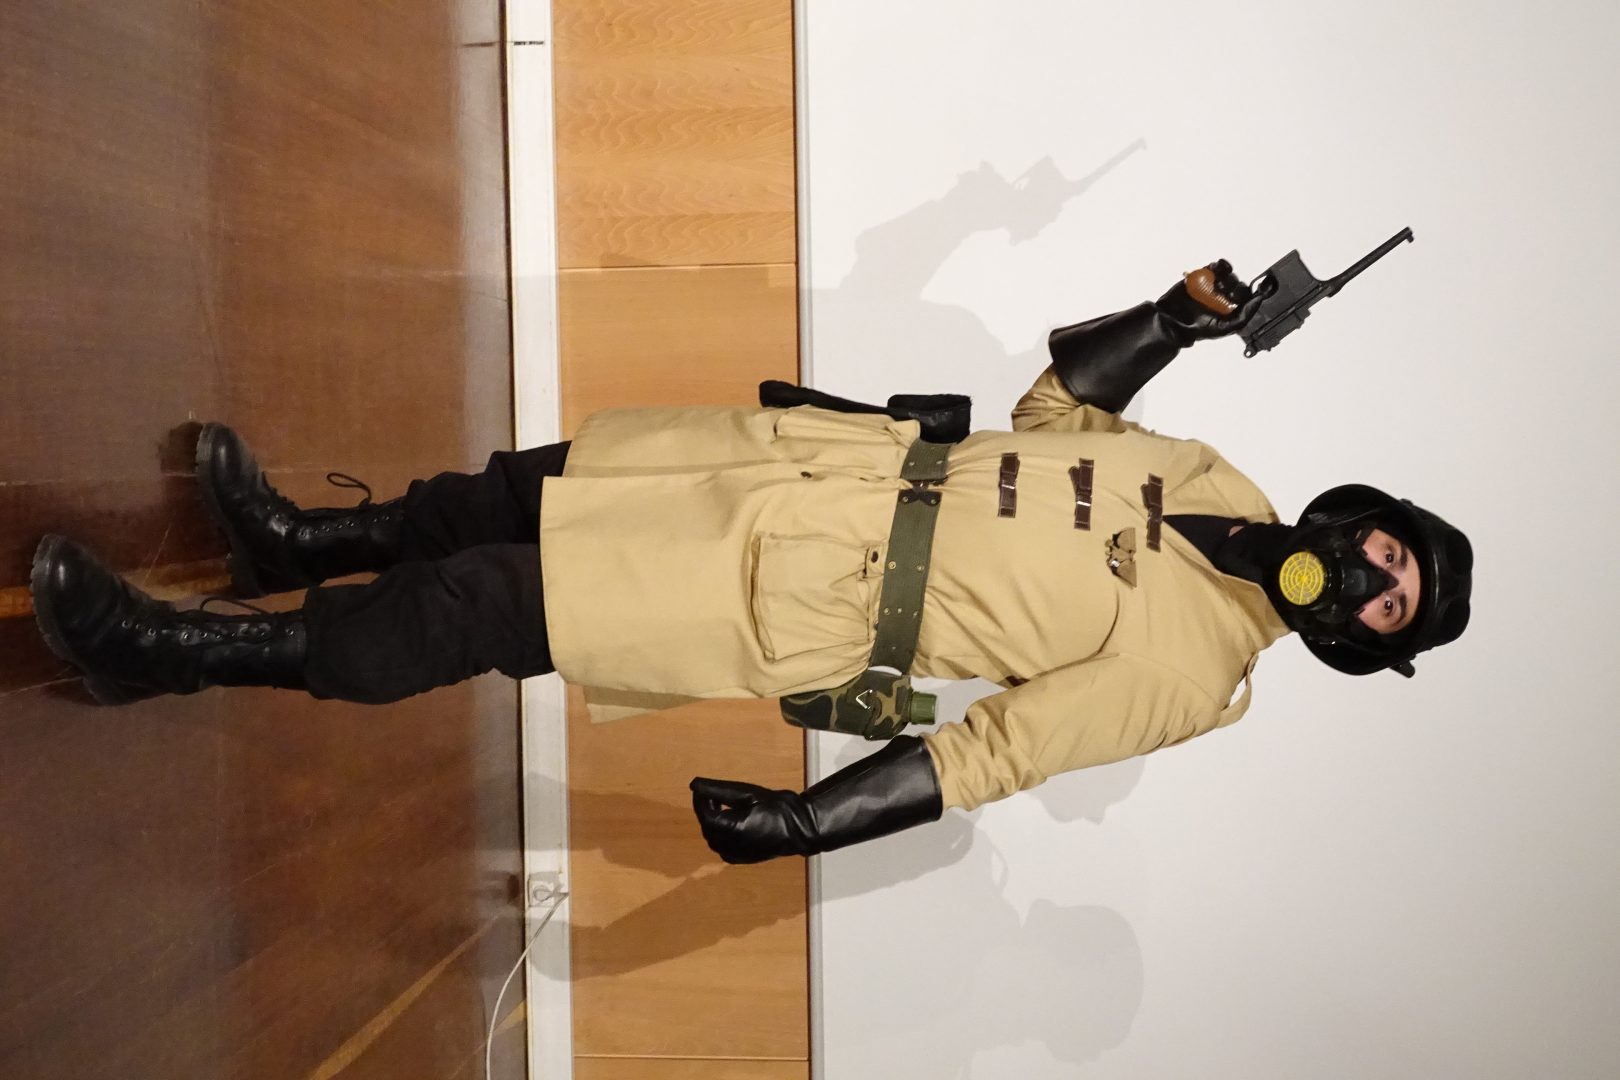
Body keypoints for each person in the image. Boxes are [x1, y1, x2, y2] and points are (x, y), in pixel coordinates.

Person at [29, 261, 1473, 865]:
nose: (1365, 576)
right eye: (1386, 550)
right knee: (512, 497)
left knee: (482, 608)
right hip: (820, 470)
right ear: (1367, 516)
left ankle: (171, 656)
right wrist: (1170, 317)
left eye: (1388, 603)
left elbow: (1002, 752)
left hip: (810, 596)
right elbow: (1053, 418)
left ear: (1363, 643)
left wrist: (807, 825)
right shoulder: (1221, 479)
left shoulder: (1195, 676)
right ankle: (289, 541)